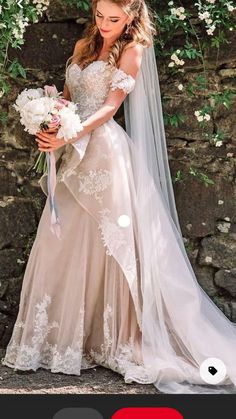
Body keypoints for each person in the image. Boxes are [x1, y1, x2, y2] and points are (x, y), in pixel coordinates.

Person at [2, 0, 236, 394]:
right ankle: (65, 341)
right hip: (70, 149)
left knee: (113, 246)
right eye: (100, 16)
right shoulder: (81, 46)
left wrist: (70, 134)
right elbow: (67, 96)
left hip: (104, 154)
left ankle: (115, 338)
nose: (105, 24)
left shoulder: (133, 50)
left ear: (131, 16)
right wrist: (49, 116)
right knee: (64, 242)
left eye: (114, 18)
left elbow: (110, 107)